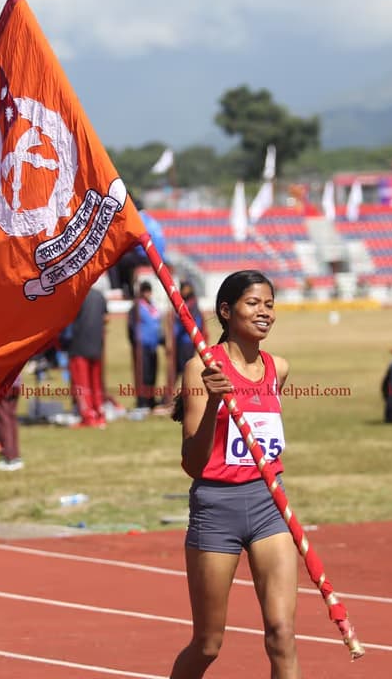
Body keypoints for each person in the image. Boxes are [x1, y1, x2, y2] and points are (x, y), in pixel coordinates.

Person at [169, 270, 300, 678]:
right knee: (208, 643)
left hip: (268, 504)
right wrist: (213, 403)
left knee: (281, 633)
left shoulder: (278, 368)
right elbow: (192, 462)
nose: (264, 313)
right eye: (253, 303)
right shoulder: (199, 369)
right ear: (226, 311)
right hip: (217, 506)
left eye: (269, 304)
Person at [67, 286, 108, 428]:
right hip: (97, 345)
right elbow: (105, 318)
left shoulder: (75, 296)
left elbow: (67, 320)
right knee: (96, 383)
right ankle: (99, 413)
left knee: (82, 384)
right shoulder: (99, 295)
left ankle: (88, 416)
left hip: (79, 345)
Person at [128, 280, 162, 409]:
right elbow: (130, 327)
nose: (148, 294)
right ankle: (141, 401)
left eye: (149, 291)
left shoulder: (152, 306)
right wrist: (135, 343)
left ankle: (151, 399)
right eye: (145, 291)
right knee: (142, 374)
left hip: (153, 346)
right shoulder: (136, 307)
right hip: (141, 346)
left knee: (152, 374)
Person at [171, 279, 208, 391]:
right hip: (180, 341)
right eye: (182, 288)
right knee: (177, 370)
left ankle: (186, 392)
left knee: (185, 369)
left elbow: (192, 323)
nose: (184, 290)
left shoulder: (192, 304)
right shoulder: (185, 303)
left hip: (187, 342)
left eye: (186, 288)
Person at [0, 371, 24, 470]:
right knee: (10, 418)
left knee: (2, 419)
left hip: (3, 381)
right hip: (16, 381)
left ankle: (9, 458)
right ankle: (14, 457)